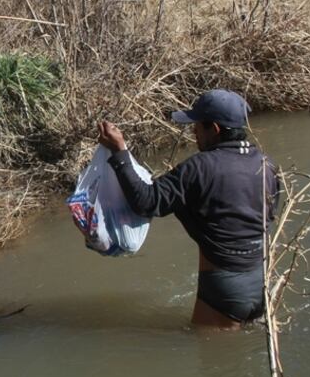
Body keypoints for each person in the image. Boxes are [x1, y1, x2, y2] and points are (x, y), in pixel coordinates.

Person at [97, 89, 281, 328]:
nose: (194, 131)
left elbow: (146, 202)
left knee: (210, 351)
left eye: (197, 125)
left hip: (225, 288)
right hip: (262, 279)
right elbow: (269, 216)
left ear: (214, 129)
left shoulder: (200, 168)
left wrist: (119, 151)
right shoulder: (267, 165)